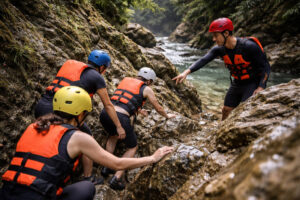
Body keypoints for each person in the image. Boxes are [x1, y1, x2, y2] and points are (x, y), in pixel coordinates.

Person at [1, 86, 173, 200]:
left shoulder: (33, 126)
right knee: (87, 188)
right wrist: (153, 158)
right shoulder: (78, 137)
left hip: (6, 192)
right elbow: (117, 162)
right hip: (38, 196)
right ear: (81, 114)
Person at [34, 50, 126, 184]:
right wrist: (119, 126)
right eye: (105, 68)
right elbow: (108, 105)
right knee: (87, 139)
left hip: (41, 106)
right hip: (60, 113)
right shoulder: (97, 77)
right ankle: (88, 177)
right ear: (102, 67)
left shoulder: (70, 65)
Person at [173, 17, 271, 120]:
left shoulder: (249, 47)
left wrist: (261, 87)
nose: (213, 39)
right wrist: (185, 72)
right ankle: (221, 131)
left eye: (216, 35)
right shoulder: (219, 49)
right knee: (226, 110)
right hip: (237, 82)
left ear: (226, 33)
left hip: (252, 83)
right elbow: (203, 60)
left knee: (244, 112)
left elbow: (266, 67)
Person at [99, 67, 176, 190]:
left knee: (112, 136)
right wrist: (167, 115)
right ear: (149, 81)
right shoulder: (146, 88)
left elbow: (122, 101)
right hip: (120, 118)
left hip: (105, 114)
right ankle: (117, 177)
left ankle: (106, 167)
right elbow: (158, 108)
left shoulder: (126, 81)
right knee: (132, 147)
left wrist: (138, 110)